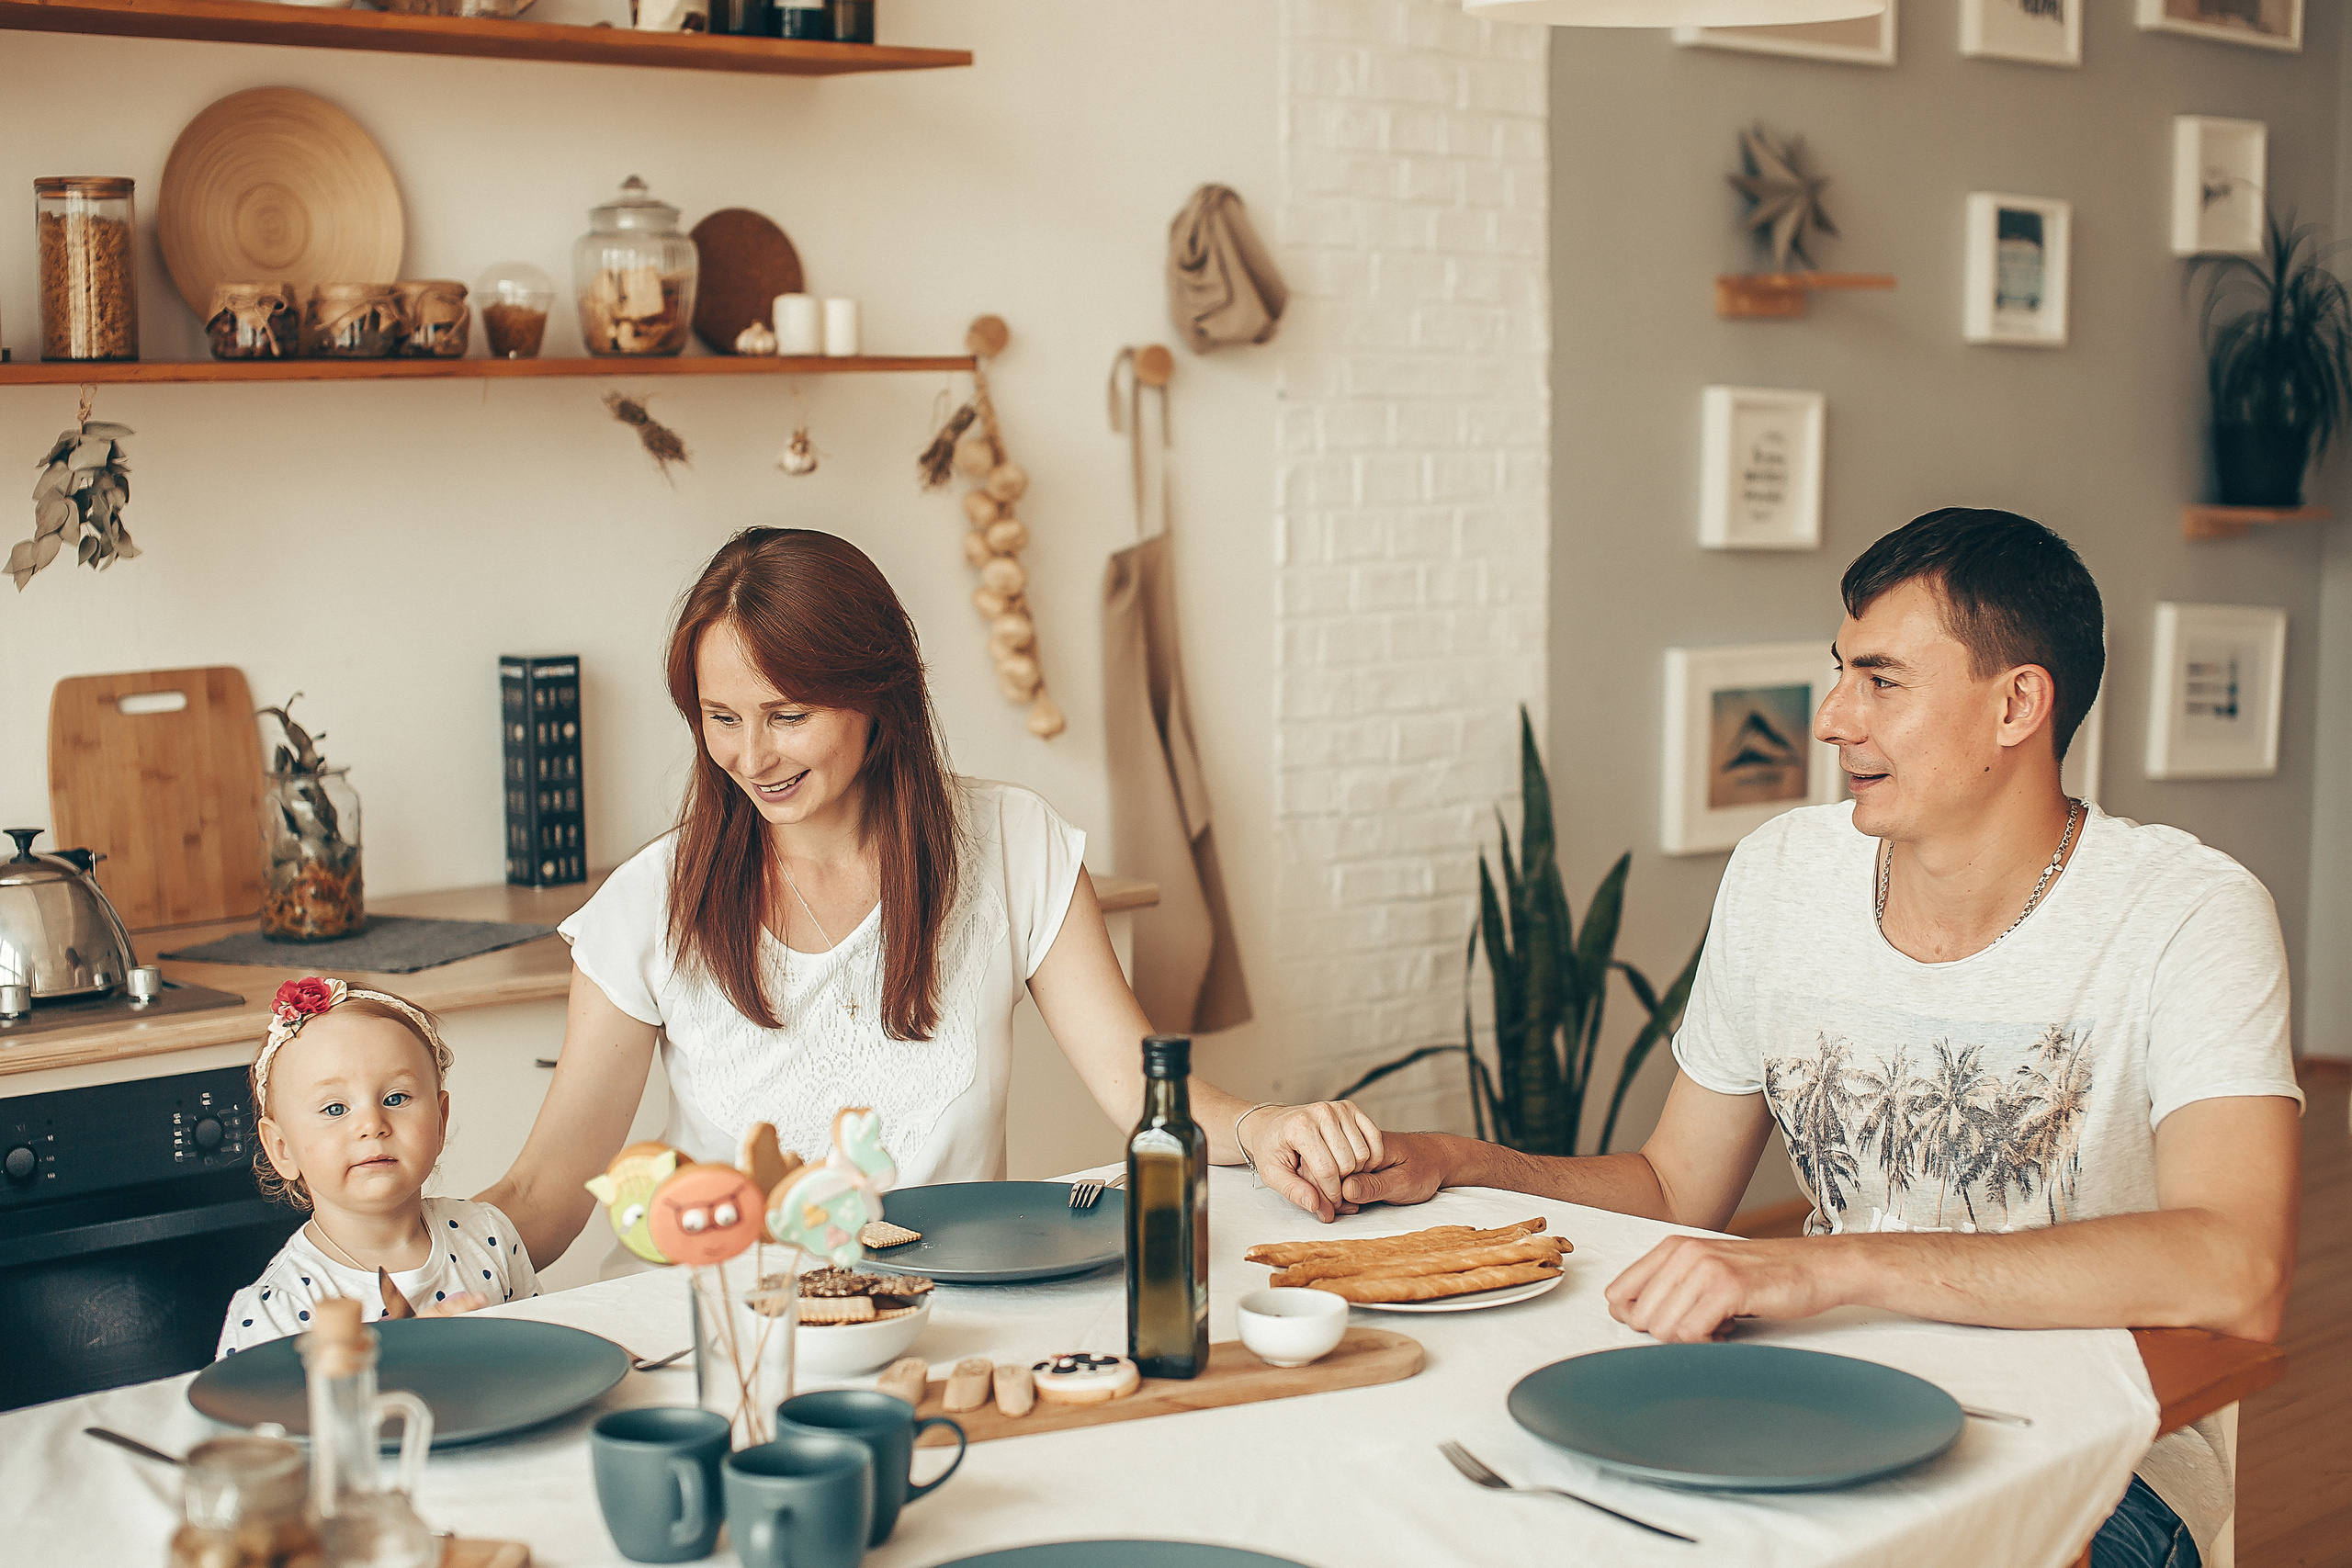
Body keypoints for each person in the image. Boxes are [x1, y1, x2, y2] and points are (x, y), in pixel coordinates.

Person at [1343, 510, 2303, 1566]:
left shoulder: (2188, 912)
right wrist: (1470, 1165)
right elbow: (1675, 1189)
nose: (1833, 718)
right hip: (1804, 1407)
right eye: (1839, 672)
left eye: (1882, 681)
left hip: (2101, 1466)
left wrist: (1827, 1270)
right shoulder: (1781, 873)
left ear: (2017, 703)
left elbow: (2235, 1265)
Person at [480, 528, 1383, 1276]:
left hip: (946, 1317)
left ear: (878, 697)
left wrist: (1266, 1126)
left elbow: (1140, 1092)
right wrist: (389, 1264)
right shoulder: (650, 903)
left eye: (786, 714)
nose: (751, 757)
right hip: (722, 1339)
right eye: (722, 717)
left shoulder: (1012, 846)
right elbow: (546, 1193)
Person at [220, 978, 535, 1354]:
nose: (372, 1124)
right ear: (282, 1148)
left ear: (440, 1120)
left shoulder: (490, 1237)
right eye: (335, 1109)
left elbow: (541, 1358)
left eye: (396, 1097)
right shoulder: (278, 1311)